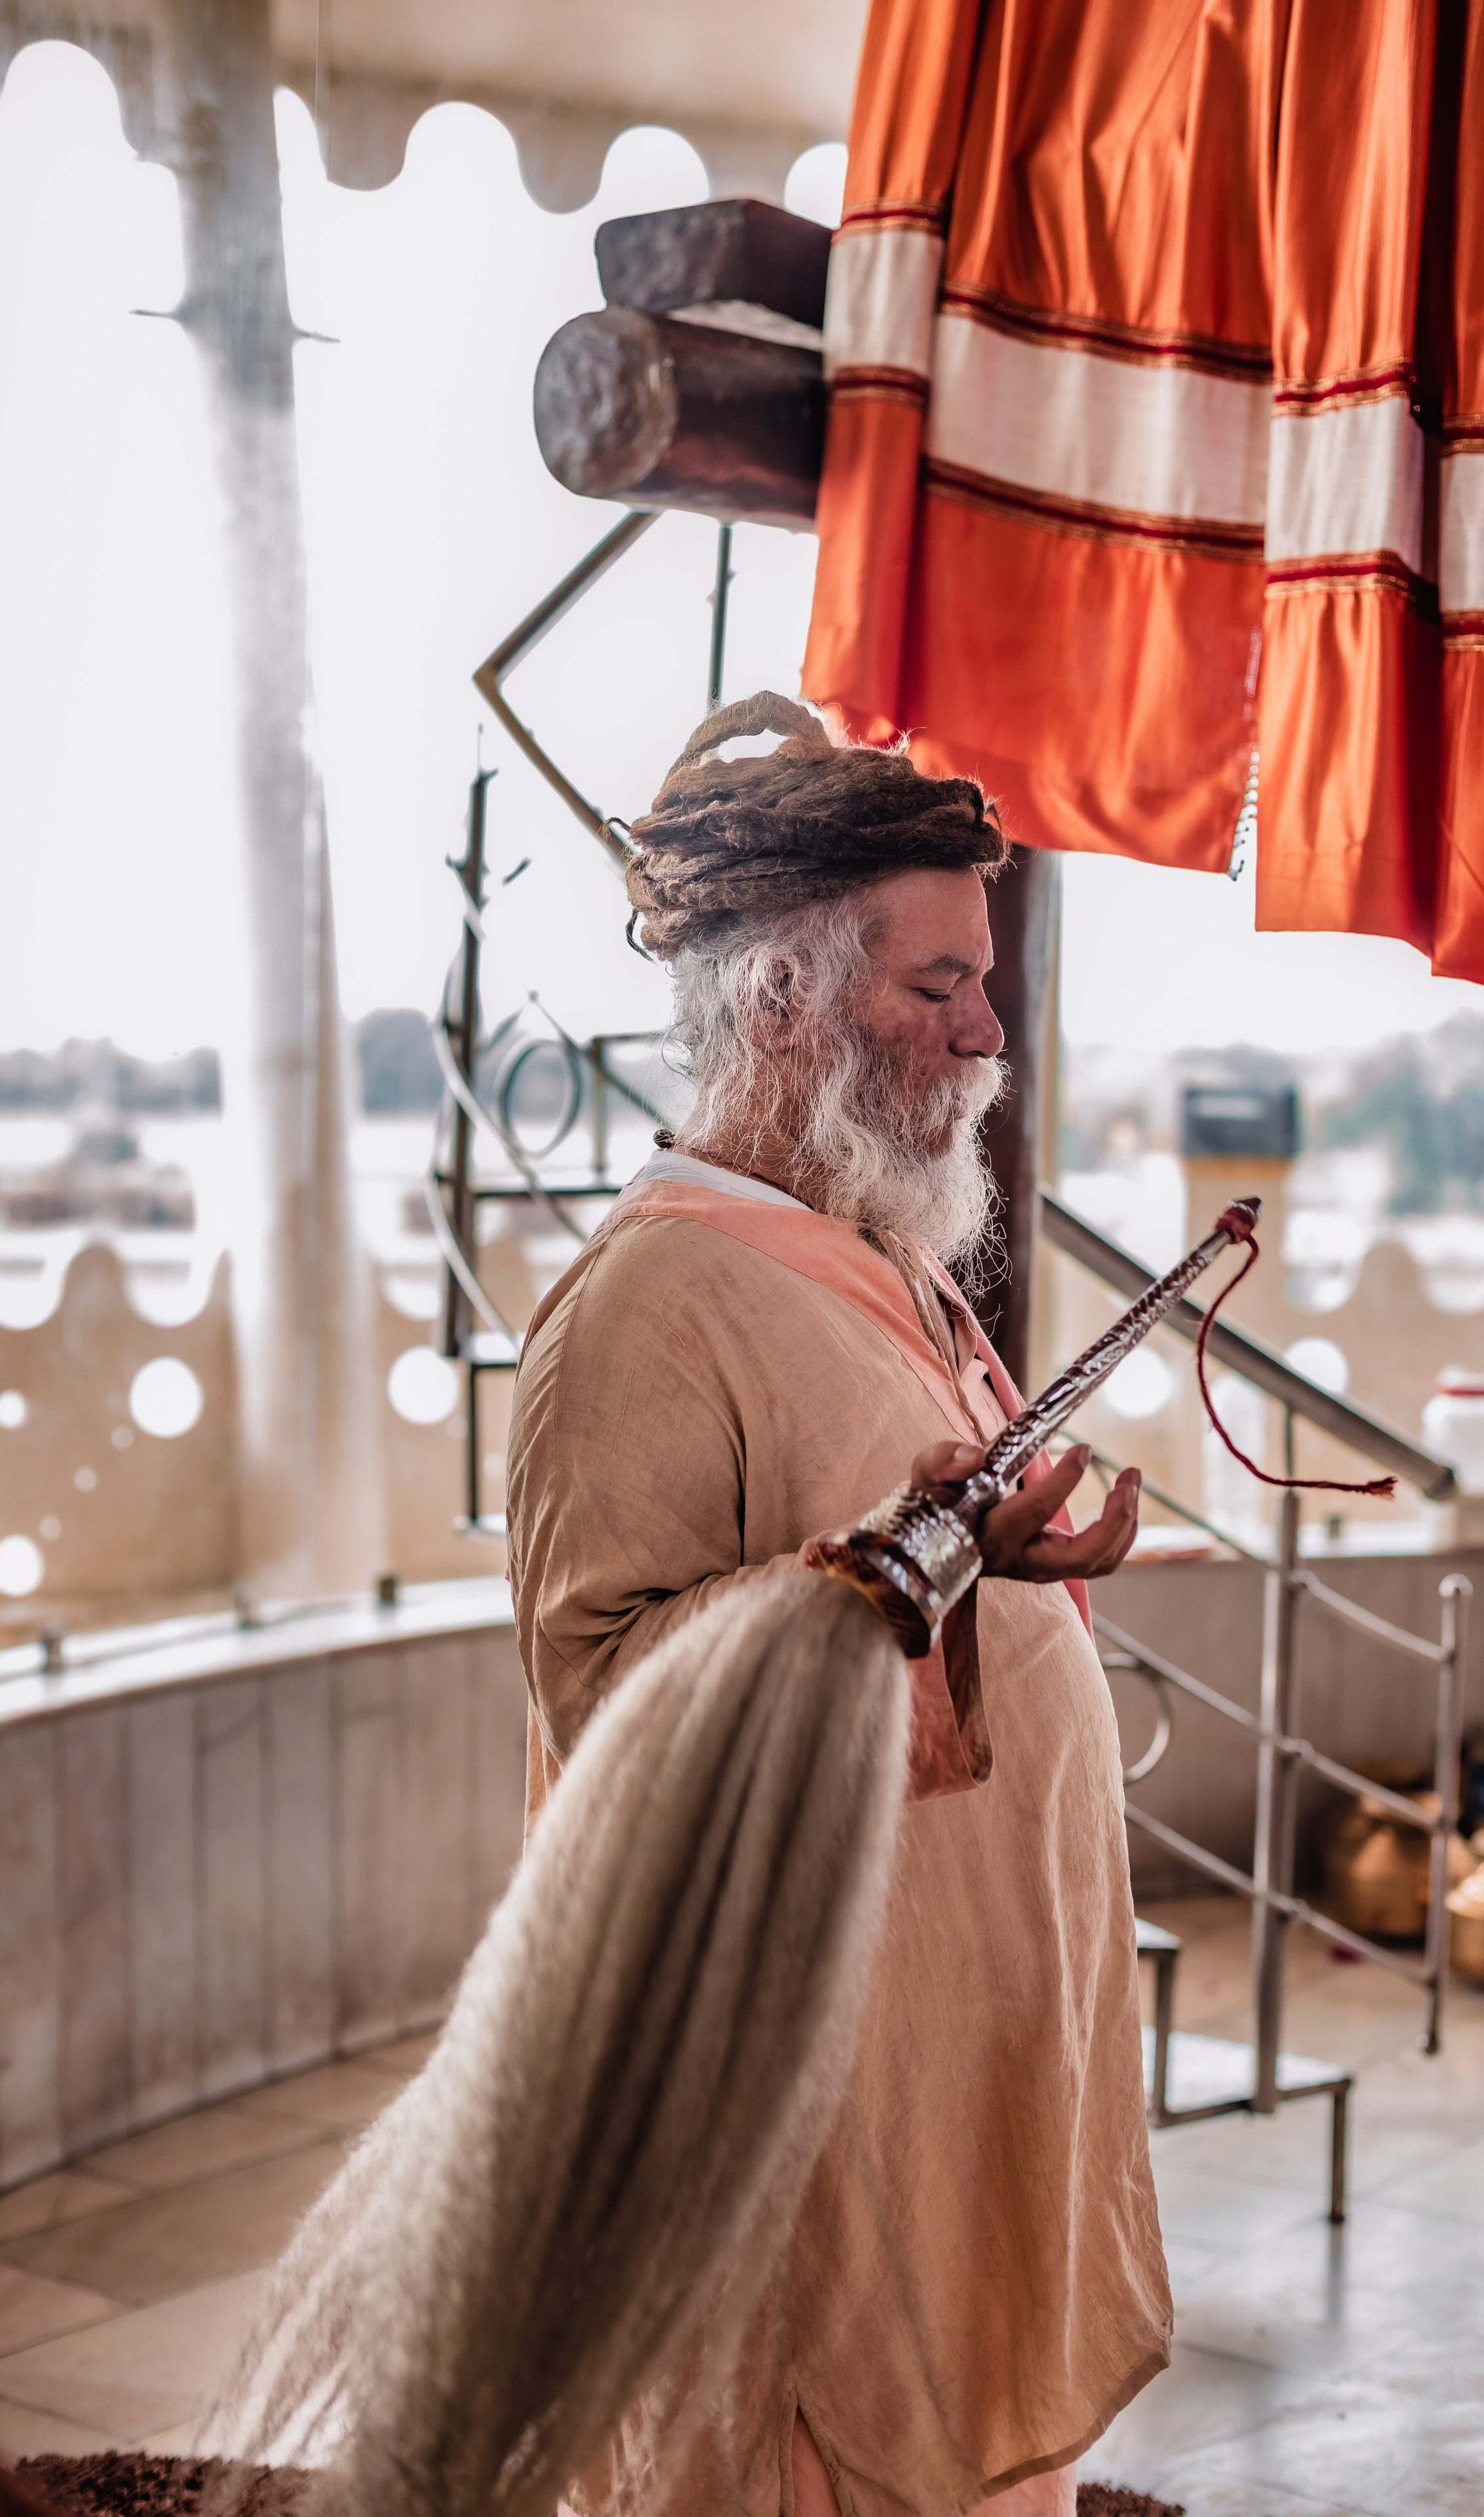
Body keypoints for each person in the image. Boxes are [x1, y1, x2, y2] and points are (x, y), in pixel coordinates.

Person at [505, 693, 1170, 2517]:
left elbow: (924, 1540)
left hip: (952, 2082)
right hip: (797, 2116)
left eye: (985, 981)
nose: (987, 1031)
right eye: (937, 985)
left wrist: (995, 1548)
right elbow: (610, 1699)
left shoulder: (876, 1253)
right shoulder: (649, 1305)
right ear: (786, 1000)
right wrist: (899, 1570)